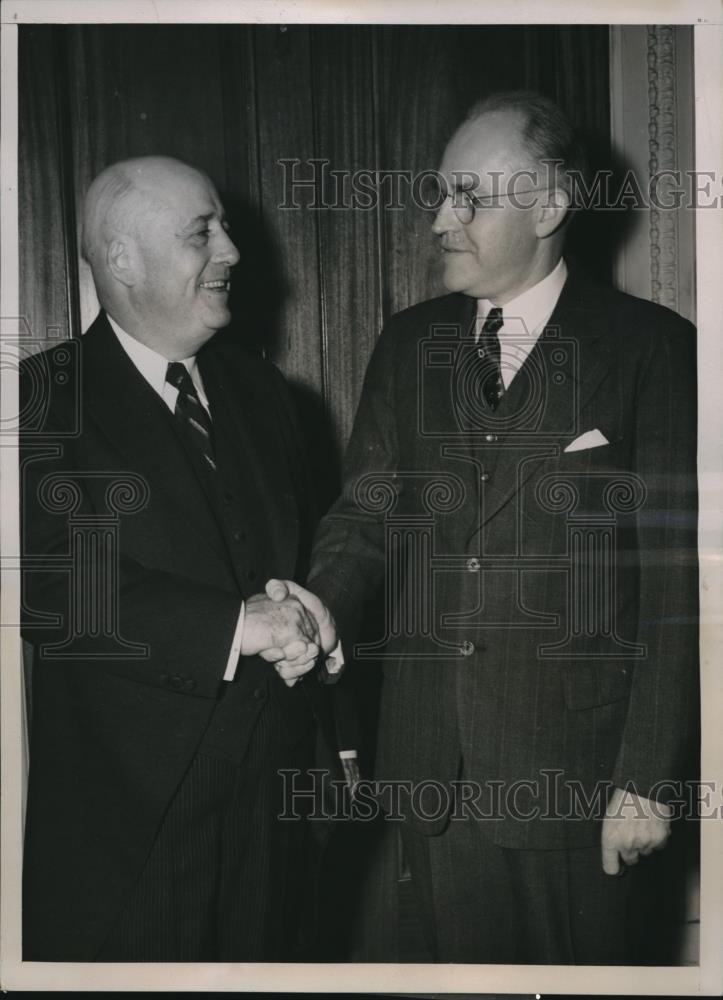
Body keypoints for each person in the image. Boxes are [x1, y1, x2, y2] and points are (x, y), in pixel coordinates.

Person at [305, 92, 699, 963]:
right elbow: (366, 513)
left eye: (468, 199)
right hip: (424, 778)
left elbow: (678, 589)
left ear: (550, 206)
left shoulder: (651, 349)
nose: (442, 219)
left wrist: (645, 780)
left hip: (575, 782)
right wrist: (319, 605)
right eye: (441, 195)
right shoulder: (406, 346)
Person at [20, 155, 339, 962]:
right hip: (133, 831)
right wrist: (237, 625)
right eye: (203, 233)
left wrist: (319, 652)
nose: (232, 251)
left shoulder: (271, 398)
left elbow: (307, 569)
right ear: (123, 258)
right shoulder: (40, 402)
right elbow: (51, 585)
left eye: (224, 229)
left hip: (279, 816)